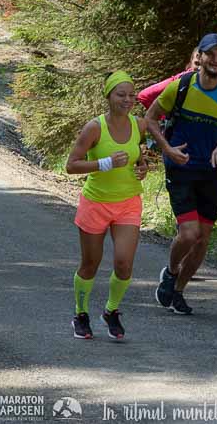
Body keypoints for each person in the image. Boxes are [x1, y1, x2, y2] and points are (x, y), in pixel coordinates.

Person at [145, 33, 217, 315]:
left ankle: (179, 291)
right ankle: (171, 271)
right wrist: (167, 148)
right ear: (201, 57)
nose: (215, 59)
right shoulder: (181, 86)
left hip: (212, 173)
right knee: (189, 233)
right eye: (210, 54)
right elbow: (150, 118)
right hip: (181, 167)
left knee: (202, 239)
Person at [66, 71, 149, 340]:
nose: (127, 100)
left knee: (124, 264)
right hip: (96, 203)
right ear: (108, 96)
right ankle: (80, 314)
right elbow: (71, 165)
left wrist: (143, 167)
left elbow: (139, 157)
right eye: (120, 94)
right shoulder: (95, 128)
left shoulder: (139, 125)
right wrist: (105, 163)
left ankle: (111, 310)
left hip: (128, 201)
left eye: (131, 95)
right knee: (90, 263)